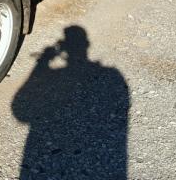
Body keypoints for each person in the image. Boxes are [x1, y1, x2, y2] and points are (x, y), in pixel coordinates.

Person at [12, 26, 129, 179]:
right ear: (87, 45)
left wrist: (42, 63)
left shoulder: (56, 75)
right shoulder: (114, 76)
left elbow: (20, 112)